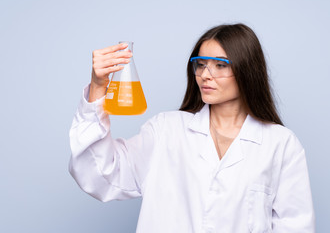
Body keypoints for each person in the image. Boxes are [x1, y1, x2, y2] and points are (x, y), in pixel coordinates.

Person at [69, 23, 315, 232]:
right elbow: (99, 175)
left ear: (247, 70)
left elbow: (295, 227)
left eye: (220, 65)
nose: (206, 75)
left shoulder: (280, 144)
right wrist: (98, 87)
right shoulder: (166, 131)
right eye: (201, 64)